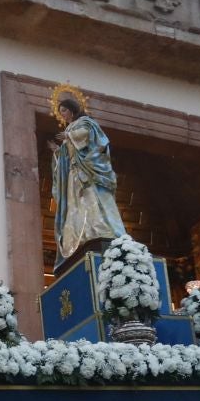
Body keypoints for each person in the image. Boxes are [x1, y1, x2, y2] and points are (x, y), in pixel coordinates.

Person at [48, 84, 128, 265]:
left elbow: (92, 137)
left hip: (88, 171)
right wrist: (57, 152)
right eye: (60, 112)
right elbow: (67, 155)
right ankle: (82, 235)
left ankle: (101, 229)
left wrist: (70, 137)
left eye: (64, 111)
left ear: (72, 110)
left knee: (92, 198)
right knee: (76, 204)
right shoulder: (70, 129)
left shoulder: (85, 122)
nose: (63, 115)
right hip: (74, 174)